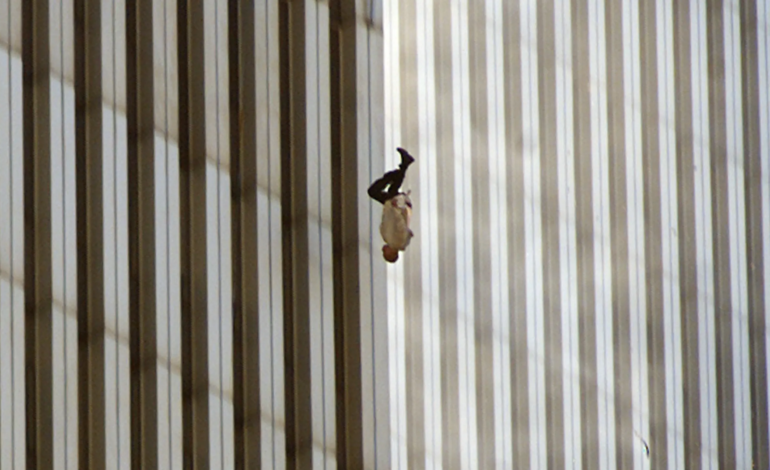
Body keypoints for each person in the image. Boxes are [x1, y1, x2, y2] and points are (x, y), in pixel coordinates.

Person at [368, 147, 415, 263]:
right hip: (396, 206)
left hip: (394, 206)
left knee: (392, 189)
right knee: (374, 191)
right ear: (392, 253)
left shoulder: (389, 239)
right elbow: (400, 225)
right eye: (385, 253)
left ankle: (403, 166)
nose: (383, 250)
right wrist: (395, 209)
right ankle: (402, 167)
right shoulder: (397, 241)